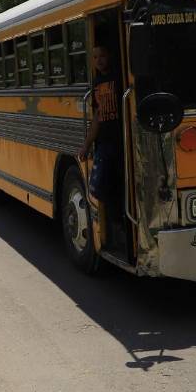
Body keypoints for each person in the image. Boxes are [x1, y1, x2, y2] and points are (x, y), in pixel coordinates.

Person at [79, 43, 123, 244]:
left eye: (102, 55)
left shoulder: (120, 78)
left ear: (110, 56)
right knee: (102, 186)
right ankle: (115, 225)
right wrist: (87, 144)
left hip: (121, 139)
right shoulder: (96, 83)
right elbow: (97, 116)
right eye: (95, 57)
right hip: (104, 141)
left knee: (119, 182)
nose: (99, 60)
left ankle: (121, 223)